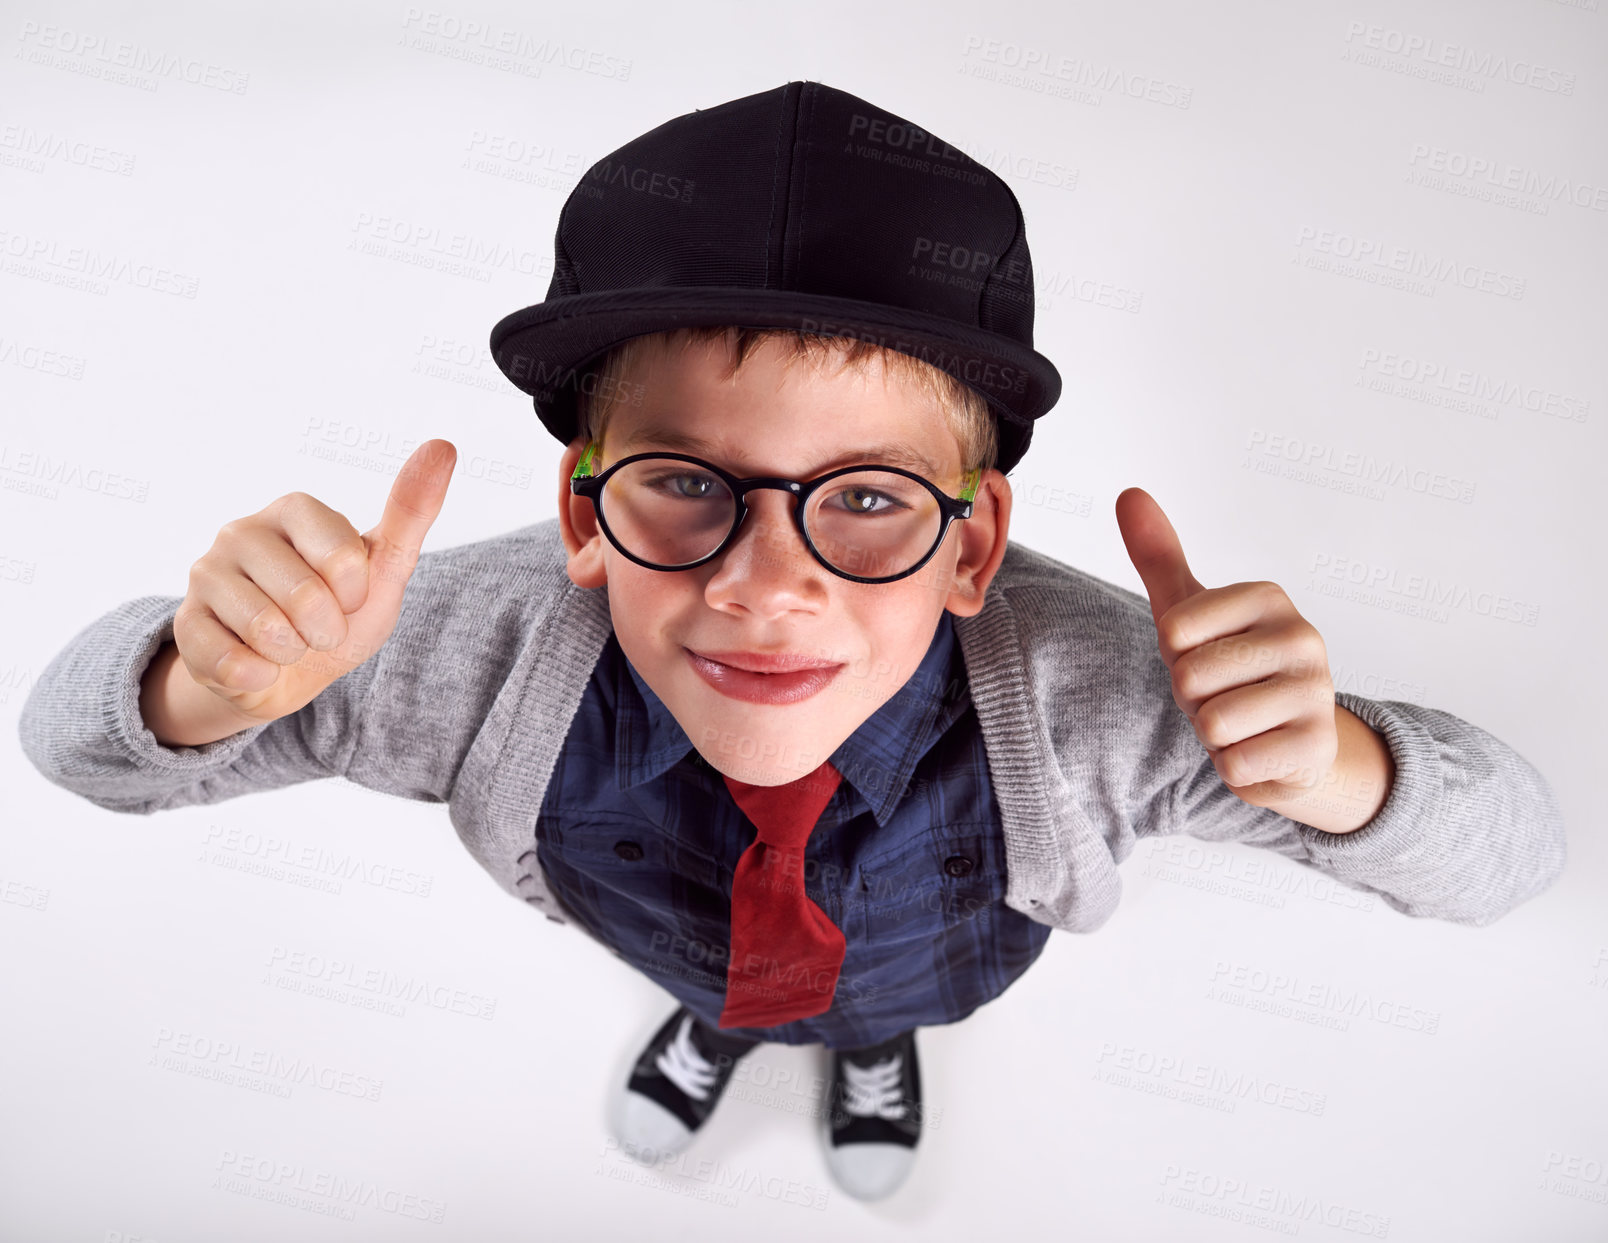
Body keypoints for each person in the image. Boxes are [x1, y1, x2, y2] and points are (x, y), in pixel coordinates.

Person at [17, 81, 1567, 1204]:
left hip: (938, 961)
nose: (769, 586)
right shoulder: (457, 650)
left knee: (878, 1005)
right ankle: (711, 1026)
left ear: (971, 543)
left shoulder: (1103, 705)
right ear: (580, 511)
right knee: (713, 977)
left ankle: (874, 1050)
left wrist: (1354, 773)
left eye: (870, 501)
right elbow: (74, 749)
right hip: (665, 931)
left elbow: (1511, 861)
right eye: (686, 483)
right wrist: (189, 684)